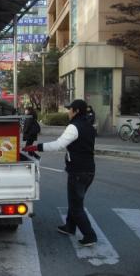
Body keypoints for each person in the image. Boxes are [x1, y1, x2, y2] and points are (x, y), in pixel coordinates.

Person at [23, 99, 97, 247]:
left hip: (78, 171)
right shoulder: (89, 126)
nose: (68, 112)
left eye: (70, 109)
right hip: (89, 170)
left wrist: (36, 147)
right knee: (76, 201)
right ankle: (70, 227)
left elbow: (58, 144)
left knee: (76, 206)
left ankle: (90, 235)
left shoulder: (74, 127)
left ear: (76, 111)